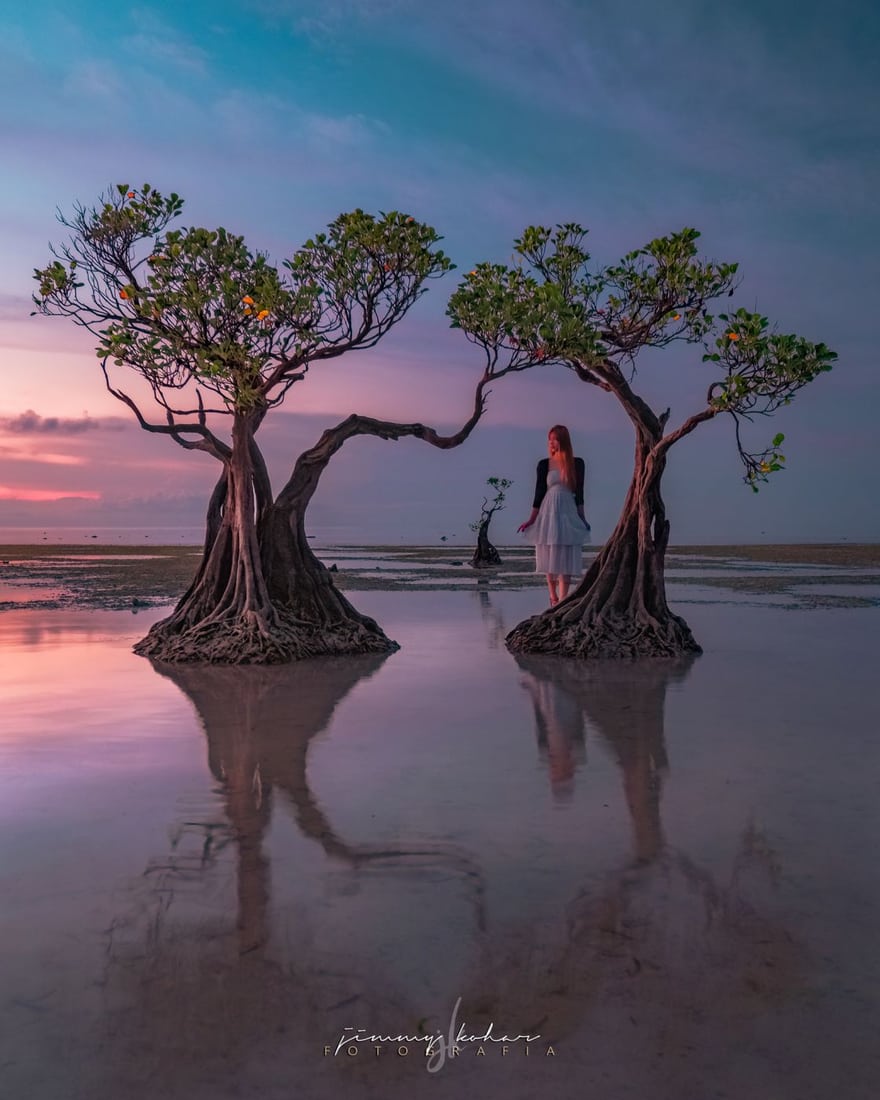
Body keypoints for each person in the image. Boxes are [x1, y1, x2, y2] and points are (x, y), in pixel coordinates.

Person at [517, 425, 590, 607]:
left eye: (554, 439)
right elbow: (539, 493)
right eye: (549, 439)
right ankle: (553, 597)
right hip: (548, 509)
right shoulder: (544, 464)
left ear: (563, 440)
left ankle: (564, 598)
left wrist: (582, 517)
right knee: (548, 551)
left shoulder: (577, 463)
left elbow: (579, 493)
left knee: (566, 551)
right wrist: (532, 519)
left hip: (567, 508)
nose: (551, 442)